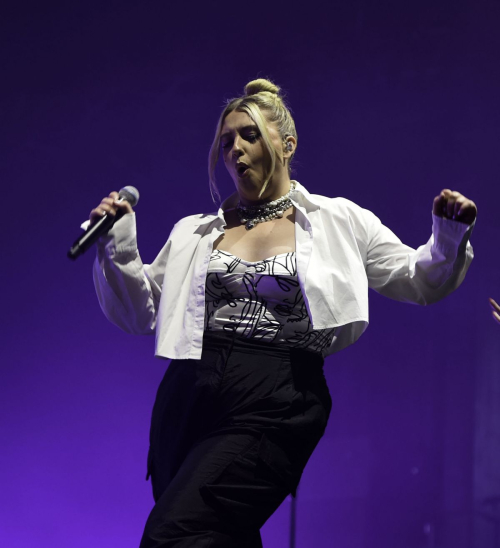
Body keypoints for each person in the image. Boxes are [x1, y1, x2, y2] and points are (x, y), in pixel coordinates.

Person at [88, 79, 477, 548]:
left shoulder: (337, 220)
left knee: (176, 533)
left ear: (287, 145)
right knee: (221, 537)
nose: (235, 149)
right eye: (226, 141)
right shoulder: (196, 232)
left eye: (248, 135)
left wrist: (448, 236)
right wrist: (117, 246)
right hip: (187, 393)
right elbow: (140, 312)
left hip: (277, 394)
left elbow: (417, 278)